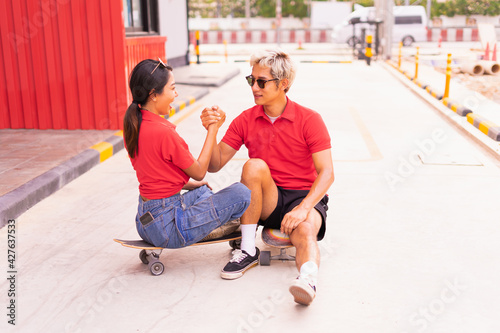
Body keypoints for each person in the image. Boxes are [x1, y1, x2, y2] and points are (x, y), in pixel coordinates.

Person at [201, 49, 334, 305]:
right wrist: (212, 130)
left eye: (261, 82)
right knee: (254, 166)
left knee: (305, 230)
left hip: (305, 198)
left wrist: (303, 209)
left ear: (284, 84)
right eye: (251, 80)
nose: (254, 87)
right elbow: (215, 165)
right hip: (268, 198)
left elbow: (327, 173)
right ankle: (248, 249)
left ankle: (307, 280)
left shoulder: (309, 119)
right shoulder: (246, 119)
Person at [123, 58, 251, 250]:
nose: (176, 94)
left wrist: (189, 185)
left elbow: (157, 173)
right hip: (169, 229)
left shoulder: (134, 125)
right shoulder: (164, 132)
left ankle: (205, 223)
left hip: (145, 222)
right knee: (242, 194)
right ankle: (208, 227)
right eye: (172, 88)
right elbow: (199, 171)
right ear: (154, 95)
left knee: (202, 190)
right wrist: (213, 129)